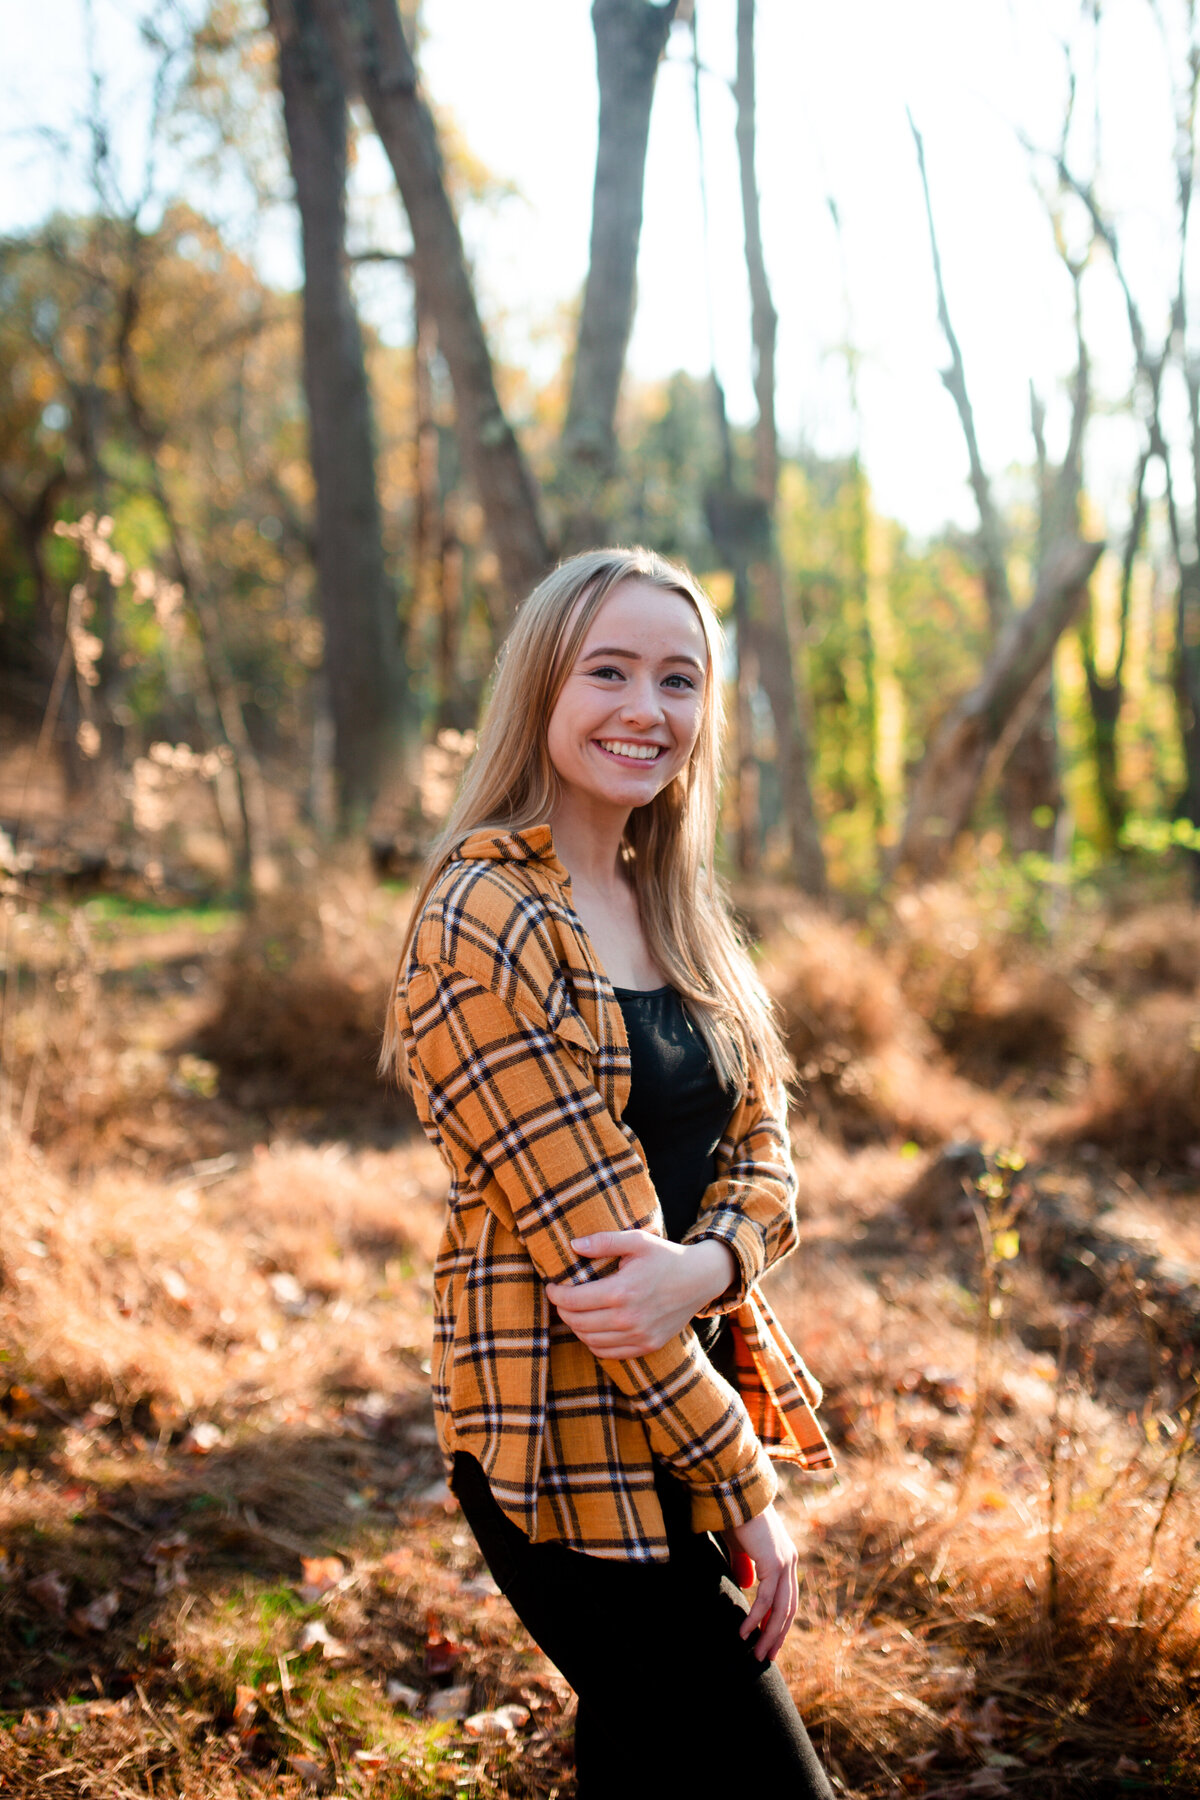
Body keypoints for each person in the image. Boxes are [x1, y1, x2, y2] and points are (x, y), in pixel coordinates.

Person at [382, 548, 836, 1796]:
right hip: (566, 1448)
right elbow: (605, 1276)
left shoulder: (673, 900)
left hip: (687, 1401)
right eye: (611, 670)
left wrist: (708, 1261)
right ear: (543, 687)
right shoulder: (483, 915)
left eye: (680, 680)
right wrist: (750, 1492)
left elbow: (767, 1150)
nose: (649, 708)